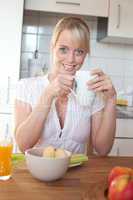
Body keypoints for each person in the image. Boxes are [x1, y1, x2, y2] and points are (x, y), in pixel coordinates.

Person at [14, 16, 116, 155]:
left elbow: (103, 150)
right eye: (63, 49)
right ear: (52, 48)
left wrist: (111, 100)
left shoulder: (92, 92)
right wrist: (47, 95)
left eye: (79, 51)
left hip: (77, 175)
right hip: (37, 173)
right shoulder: (26, 87)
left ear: (85, 54)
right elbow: (23, 145)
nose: (71, 59)